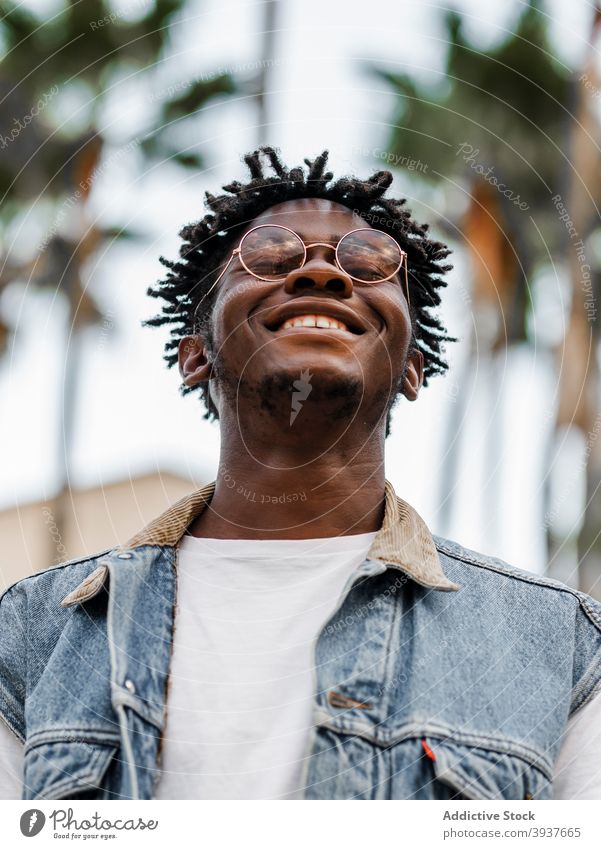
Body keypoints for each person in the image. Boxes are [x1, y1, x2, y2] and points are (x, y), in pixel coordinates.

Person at [1, 147, 600, 801]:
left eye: (369, 261)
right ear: (195, 355)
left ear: (412, 368)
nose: (322, 270)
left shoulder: (559, 646)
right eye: (269, 254)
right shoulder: (32, 636)